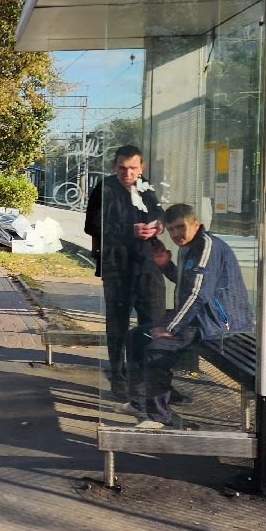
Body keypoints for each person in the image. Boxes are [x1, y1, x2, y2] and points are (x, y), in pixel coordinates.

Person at [131, 204, 253, 428]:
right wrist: (166, 266)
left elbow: (198, 294)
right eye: (171, 230)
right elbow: (188, 286)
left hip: (216, 322)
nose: (176, 234)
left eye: (180, 227)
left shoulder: (207, 246)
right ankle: (140, 401)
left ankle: (160, 417)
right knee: (137, 337)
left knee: (156, 349)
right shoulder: (189, 246)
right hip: (198, 316)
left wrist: (172, 328)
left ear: (196, 224)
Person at [84, 145, 165, 402]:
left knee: (153, 323)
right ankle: (118, 378)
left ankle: (150, 382)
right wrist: (129, 230)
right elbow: (91, 225)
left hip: (147, 267)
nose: (128, 173)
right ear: (114, 167)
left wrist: (159, 225)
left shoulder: (147, 188)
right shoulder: (104, 188)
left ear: (142, 167)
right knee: (117, 325)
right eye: (122, 168)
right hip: (117, 267)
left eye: (133, 168)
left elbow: (158, 212)